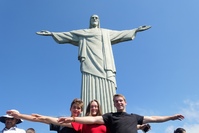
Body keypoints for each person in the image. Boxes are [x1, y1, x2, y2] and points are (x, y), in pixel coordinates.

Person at [36, 14, 151, 114]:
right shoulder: (83, 33)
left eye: (96, 17)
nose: (95, 19)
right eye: (92, 18)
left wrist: (136, 30)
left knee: (108, 87)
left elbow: (121, 34)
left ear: (99, 20)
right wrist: (52, 34)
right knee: (89, 85)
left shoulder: (105, 32)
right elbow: (68, 35)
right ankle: (88, 115)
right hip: (89, 64)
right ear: (90, 21)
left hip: (105, 65)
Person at [57, 94, 184, 133]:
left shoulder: (134, 117)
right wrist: (73, 119)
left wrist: (171, 117)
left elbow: (153, 118)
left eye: (121, 101)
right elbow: (93, 120)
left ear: (125, 102)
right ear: (114, 104)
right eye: (116, 101)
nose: (119, 103)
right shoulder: (109, 116)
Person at [6, 99, 83, 133]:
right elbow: (40, 120)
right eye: (74, 107)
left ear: (81, 111)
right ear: (70, 108)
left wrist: (43, 117)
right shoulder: (61, 119)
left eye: (78, 108)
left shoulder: (82, 124)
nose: (76, 109)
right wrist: (19, 115)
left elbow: (46, 119)